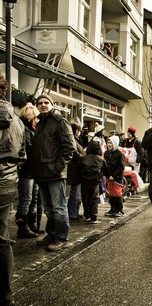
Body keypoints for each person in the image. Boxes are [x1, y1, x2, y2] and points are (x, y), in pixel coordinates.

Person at [32, 94, 75, 252]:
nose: (43, 105)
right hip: (42, 173)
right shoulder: (41, 122)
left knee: (59, 208)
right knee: (49, 208)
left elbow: (69, 148)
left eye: (46, 102)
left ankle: (62, 238)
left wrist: (58, 167)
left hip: (54, 173)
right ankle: (51, 234)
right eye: (40, 103)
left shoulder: (59, 121)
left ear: (52, 104)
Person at [0, 79, 26, 305]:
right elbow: (21, 153)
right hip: (7, 183)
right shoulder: (17, 119)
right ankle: (6, 295)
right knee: (1, 239)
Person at [16, 103, 40, 238]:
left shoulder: (31, 129)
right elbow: (28, 149)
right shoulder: (25, 130)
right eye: (36, 117)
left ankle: (30, 224)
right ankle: (23, 227)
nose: (37, 120)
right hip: (27, 169)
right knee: (27, 197)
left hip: (32, 169)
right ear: (31, 117)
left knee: (33, 198)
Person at [80, 140, 106, 224]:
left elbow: (78, 169)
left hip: (84, 180)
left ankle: (87, 215)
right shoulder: (101, 159)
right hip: (95, 181)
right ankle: (93, 216)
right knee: (94, 198)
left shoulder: (83, 158)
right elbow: (106, 170)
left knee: (85, 198)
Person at [67, 123, 85, 221]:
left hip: (75, 170)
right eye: (79, 130)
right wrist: (84, 158)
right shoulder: (73, 140)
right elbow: (75, 154)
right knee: (75, 193)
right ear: (76, 131)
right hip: (74, 170)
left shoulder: (74, 140)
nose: (80, 132)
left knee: (75, 193)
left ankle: (73, 212)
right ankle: (72, 213)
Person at [103, 136, 125, 217]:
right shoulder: (106, 153)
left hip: (117, 178)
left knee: (117, 194)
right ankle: (112, 209)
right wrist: (105, 175)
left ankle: (119, 209)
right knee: (111, 194)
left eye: (110, 143)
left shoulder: (119, 154)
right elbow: (104, 165)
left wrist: (114, 175)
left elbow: (121, 167)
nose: (109, 145)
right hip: (109, 177)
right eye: (108, 143)